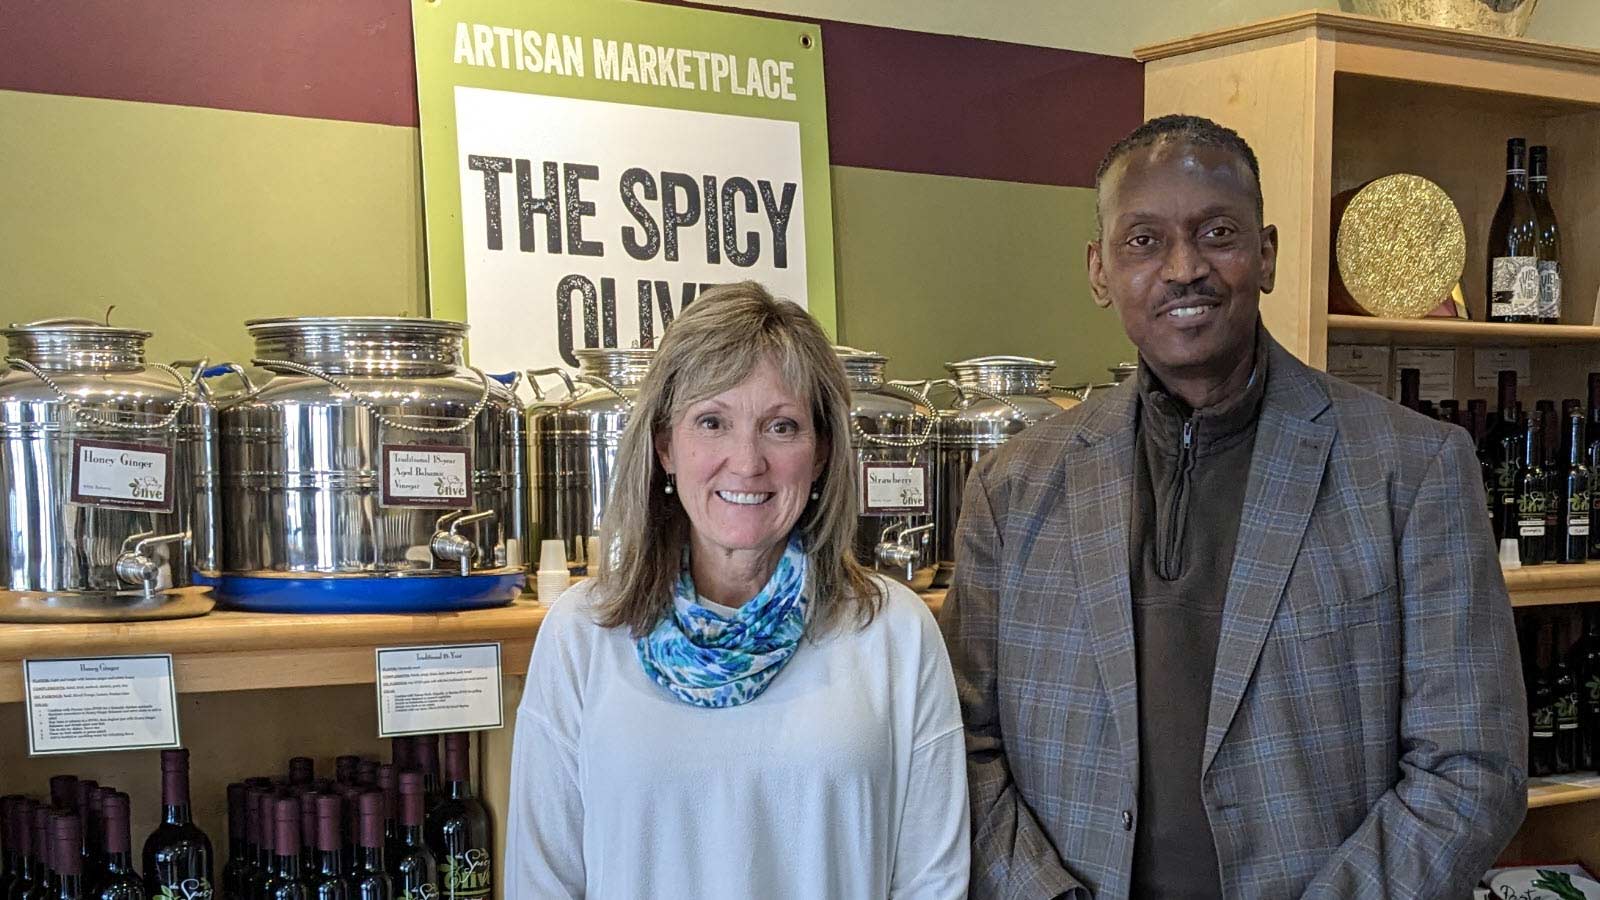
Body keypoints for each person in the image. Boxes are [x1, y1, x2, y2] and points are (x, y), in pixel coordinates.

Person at [942, 114, 1527, 898]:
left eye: (1217, 233)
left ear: (1267, 254)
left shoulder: (1411, 471)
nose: (1184, 268)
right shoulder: (1013, 488)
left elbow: (1472, 767)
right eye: (1143, 241)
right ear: (1099, 271)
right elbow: (962, 745)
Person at [505, 282, 969, 899]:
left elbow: (932, 882)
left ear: (821, 452)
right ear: (665, 446)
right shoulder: (582, 633)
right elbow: (542, 881)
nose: (747, 461)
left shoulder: (894, 632)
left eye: (781, 426)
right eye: (712, 422)